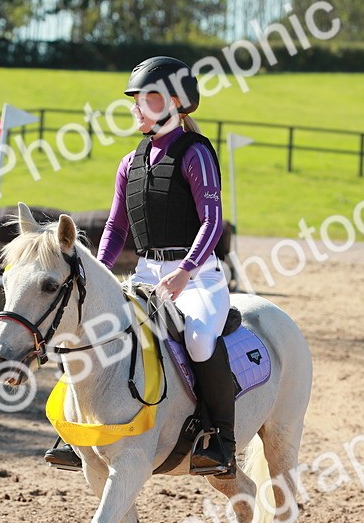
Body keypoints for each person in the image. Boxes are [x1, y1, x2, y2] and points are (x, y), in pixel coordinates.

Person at [45, 56, 235, 478]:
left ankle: (219, 438)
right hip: (146, 276)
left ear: (176, 103)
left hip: (198, 277)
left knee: (200, 341)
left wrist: (186, 270)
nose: (138, 107)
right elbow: (115, 227)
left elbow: (213, 221)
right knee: (88, 327)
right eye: (136, 100)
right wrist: (93, 272)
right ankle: (73, 430)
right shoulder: (130, 162)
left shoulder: (196, 153)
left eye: (148, 98)